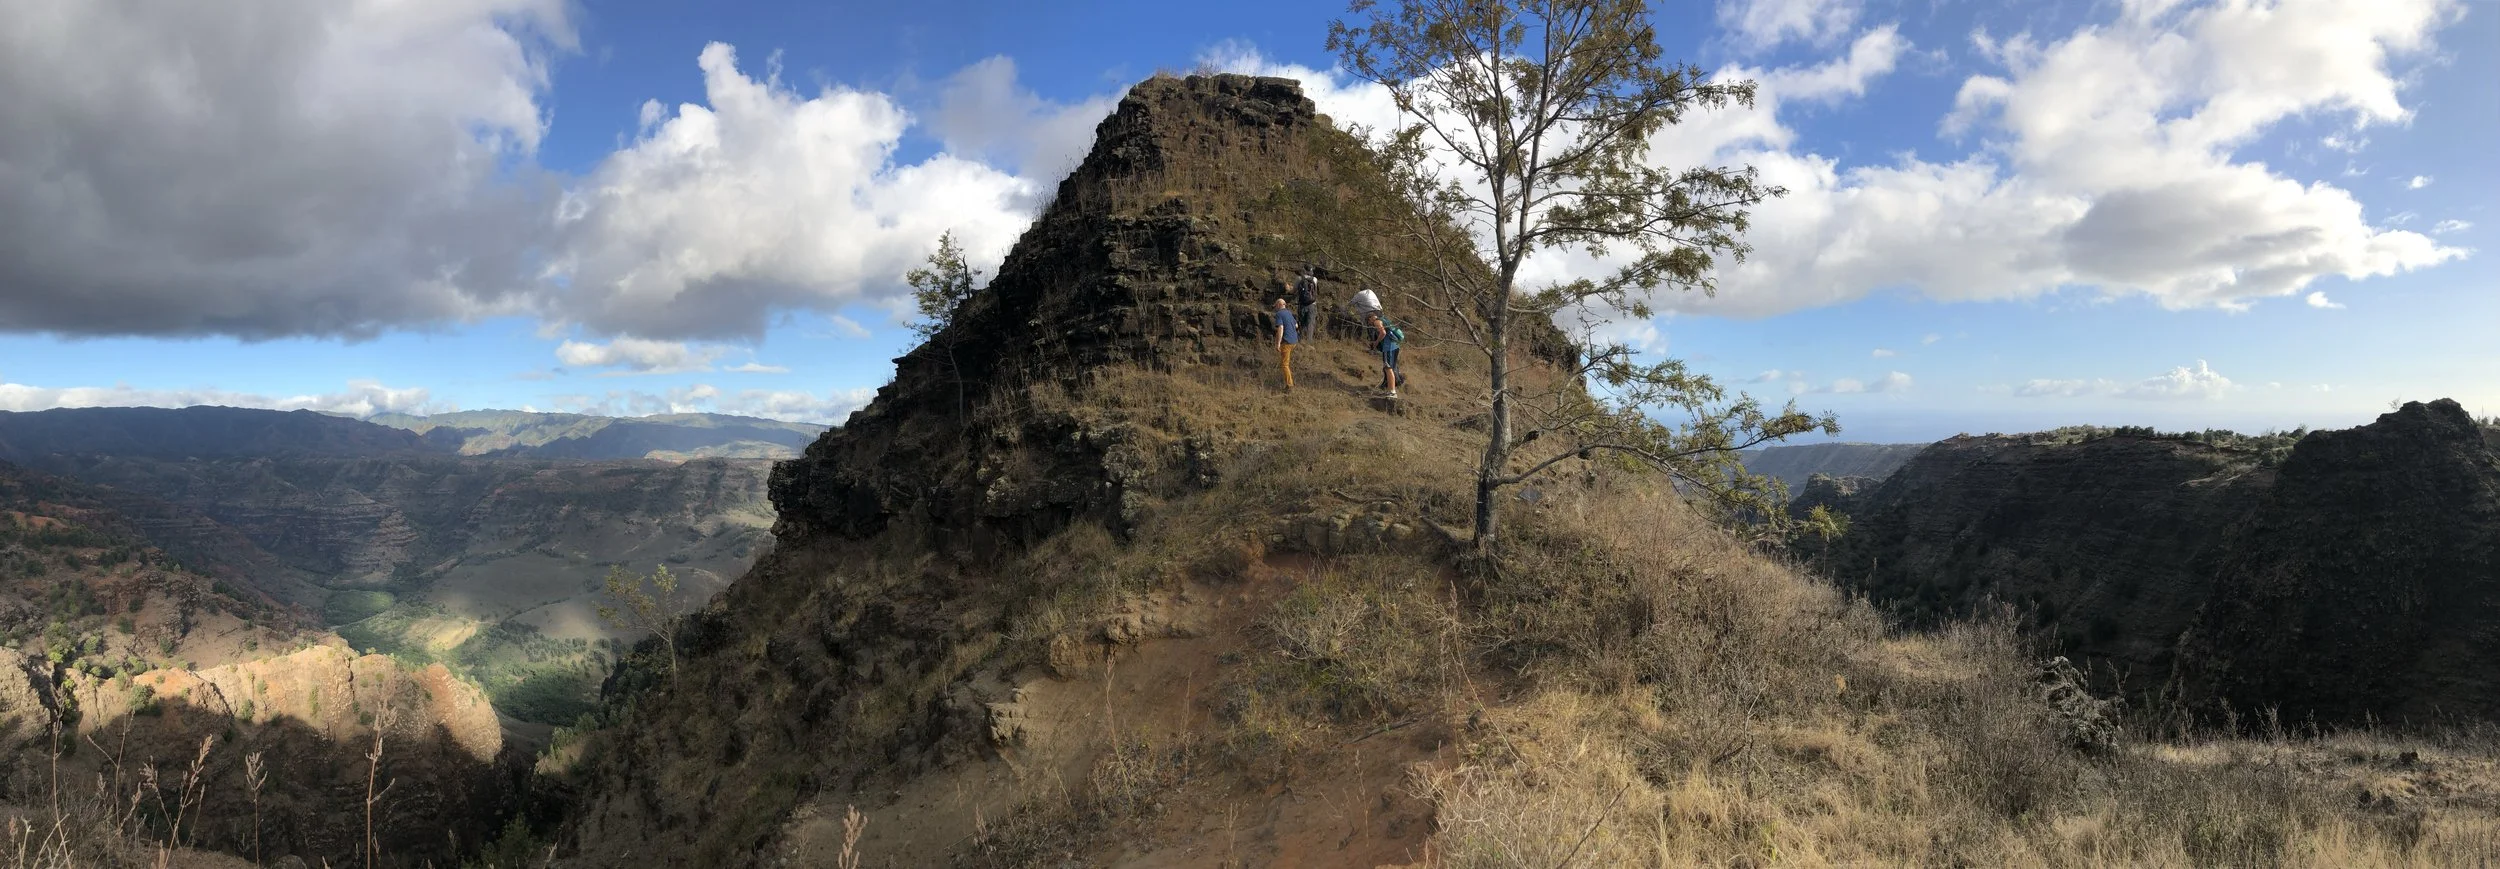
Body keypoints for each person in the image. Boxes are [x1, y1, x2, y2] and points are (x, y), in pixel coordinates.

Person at [1367, 311, 1400, 398]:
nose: (1370, 324)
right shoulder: (1384, 319)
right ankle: (1390, 390)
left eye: (1369, 322)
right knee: (1389, 368)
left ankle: (1392, 392)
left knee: (1388, 367)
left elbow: (1383, 333)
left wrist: (1376, 343)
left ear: (1371, 318)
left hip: (1389, 347)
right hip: (1395, 345)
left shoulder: (1377, 321)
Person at [1271, 297, 1300, 392]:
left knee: (1284, 364)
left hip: (1287, 342)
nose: (1275, 308)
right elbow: (1296, 326)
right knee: (1286, 362)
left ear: (1279, 305)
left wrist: (1278, 343)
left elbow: (1280, 328)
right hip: (1294, 341)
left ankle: (1289, 385)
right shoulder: (1289, 313)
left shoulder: (1279, 314)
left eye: (1275, 306)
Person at [1293, 268, 1320, 341]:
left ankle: (1300, 340)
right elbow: (1316, 292)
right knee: (1310, 323)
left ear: (1304, 270)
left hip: (1302, 304)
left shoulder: (1299, 278)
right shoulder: (1314, 279)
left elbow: (1294, 290)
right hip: (1312, 304)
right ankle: (1309, 342)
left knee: (1301, 322)